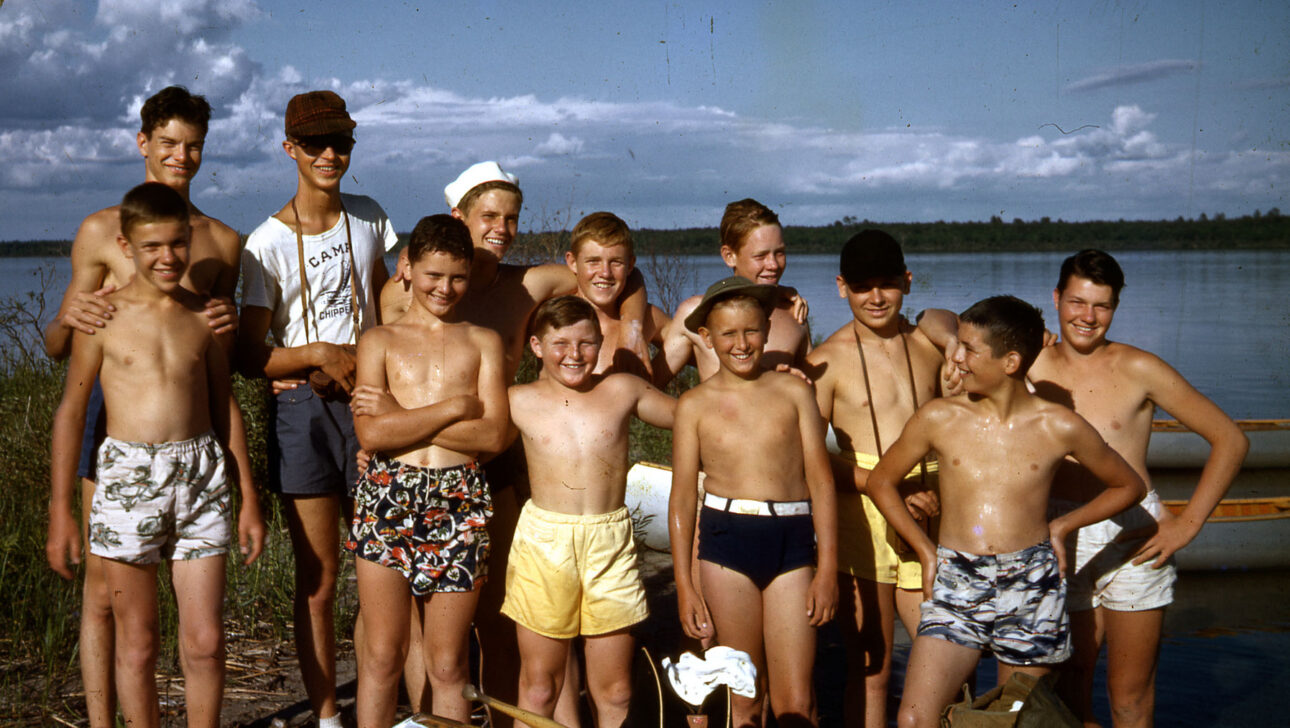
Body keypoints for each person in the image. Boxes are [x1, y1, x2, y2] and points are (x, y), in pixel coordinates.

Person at [382, 163, 651, 722]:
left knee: (512, 615)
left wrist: (631, 327)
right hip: (424, 463)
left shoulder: (532, 283)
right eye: (489, 216)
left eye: (511, 217)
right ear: (459, 216)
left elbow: (618, 275)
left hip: (498, 460)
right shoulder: (409, 287)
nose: (502, 228)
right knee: (417, 625)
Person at [41, 85, 241, 728]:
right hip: (115, 424)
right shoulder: (103, 229)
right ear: (143, 144)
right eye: (168, 143)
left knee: (187, 627)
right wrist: (66, 317)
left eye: (193, 146)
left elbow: (219, 360)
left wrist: (227, 321)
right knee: (106, 601)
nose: (181, 156)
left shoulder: (222, 242)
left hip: (190, 436)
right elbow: (57, 347)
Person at [866, 295, 1147, 728]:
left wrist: (1062, 525)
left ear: (1011, 361)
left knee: (1018, 720)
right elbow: (881, 481)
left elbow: (1129, 485)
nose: (956, 357)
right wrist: (925, 552)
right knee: (914, 719)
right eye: (957, 344)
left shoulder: (1059, 424)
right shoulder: (939, 417)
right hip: (955, 578)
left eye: (970, 349)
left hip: (1031, 580)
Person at [1028, 250, 1245, 727]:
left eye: (1101, 306)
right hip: (1062, 534)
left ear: (1116, 307)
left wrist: (1187, 525)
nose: (1087, 317)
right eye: (1077, 302)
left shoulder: (1140, 368)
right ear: (1056, 298)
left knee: (1129, 695)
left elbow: (1230, 439)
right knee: (1070, 684)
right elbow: (948, 330)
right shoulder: (1028, 363)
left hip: (1133, 538)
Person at [237, 90, 397, 728]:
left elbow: (393, 308)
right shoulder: (265, 242)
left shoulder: (369, 217)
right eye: (315, 145)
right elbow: (251, 355)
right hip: (303, 411)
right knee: (320, 576)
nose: (331, 155)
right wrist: (314, 356)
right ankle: (329, 714)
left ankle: (387, 703)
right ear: (290, 150)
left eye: (342, 144)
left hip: (370, 401)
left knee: (383, 562)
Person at [346, 215, 509, 726]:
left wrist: (400, 416)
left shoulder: (483, 341)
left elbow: (495, 436)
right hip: (388, 495)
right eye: (434, 275)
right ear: (406, 268)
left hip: (460, 496)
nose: (445, 288)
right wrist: (450, 409)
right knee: (381, 654)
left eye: (457, 277)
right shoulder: (378, 341)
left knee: (447, 661)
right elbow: (372, 436)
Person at [669, 276, 838, 727]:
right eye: (728, 334)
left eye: (751, 331)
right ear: (706, 338)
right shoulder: (694, 404)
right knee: (745, 698)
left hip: (792, 543)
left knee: (797, 701)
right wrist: (685, 584)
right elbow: (683, 498)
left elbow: (822, 483)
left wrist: (827, 571)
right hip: (726, 546)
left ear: (766, 328)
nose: (741, 344)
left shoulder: (795, 392)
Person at [505, 295, 676, 727]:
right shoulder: (516, 399)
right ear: (537, 346)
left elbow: (691, 414)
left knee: (616, 689)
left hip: (610, 541)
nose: (574, 354)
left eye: (586, 343)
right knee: (541, 685)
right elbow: (468, 433)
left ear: (601, 343)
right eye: (560, 343)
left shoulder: (621, 389)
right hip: (545, 543)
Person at [803, 230, 944, 728]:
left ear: (908, 281)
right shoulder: (826, 360)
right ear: (842, 287)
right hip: (862, 512)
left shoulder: (931, 345)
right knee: (873, 667)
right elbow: (811, 458)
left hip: (931, 504)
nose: (877, 297)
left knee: (946, 663)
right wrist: (884, 488)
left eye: (888, 284)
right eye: (863, 287)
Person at [655, 198, 810, 387]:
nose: (774, 265)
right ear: (729, 256)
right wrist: (690, 414)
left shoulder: (794, 313)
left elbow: (816, 400)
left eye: (779, 253)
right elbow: (649, 384)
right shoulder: (696, 311)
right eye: (760, 256)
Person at [565, 211, 671, 375]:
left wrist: (651, 387)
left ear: (630, 265)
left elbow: (699, 345)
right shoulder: (551, 314)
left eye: (616, 262)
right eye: (593, 261)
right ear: (572, 262)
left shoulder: (649, 318)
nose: (605, 273)